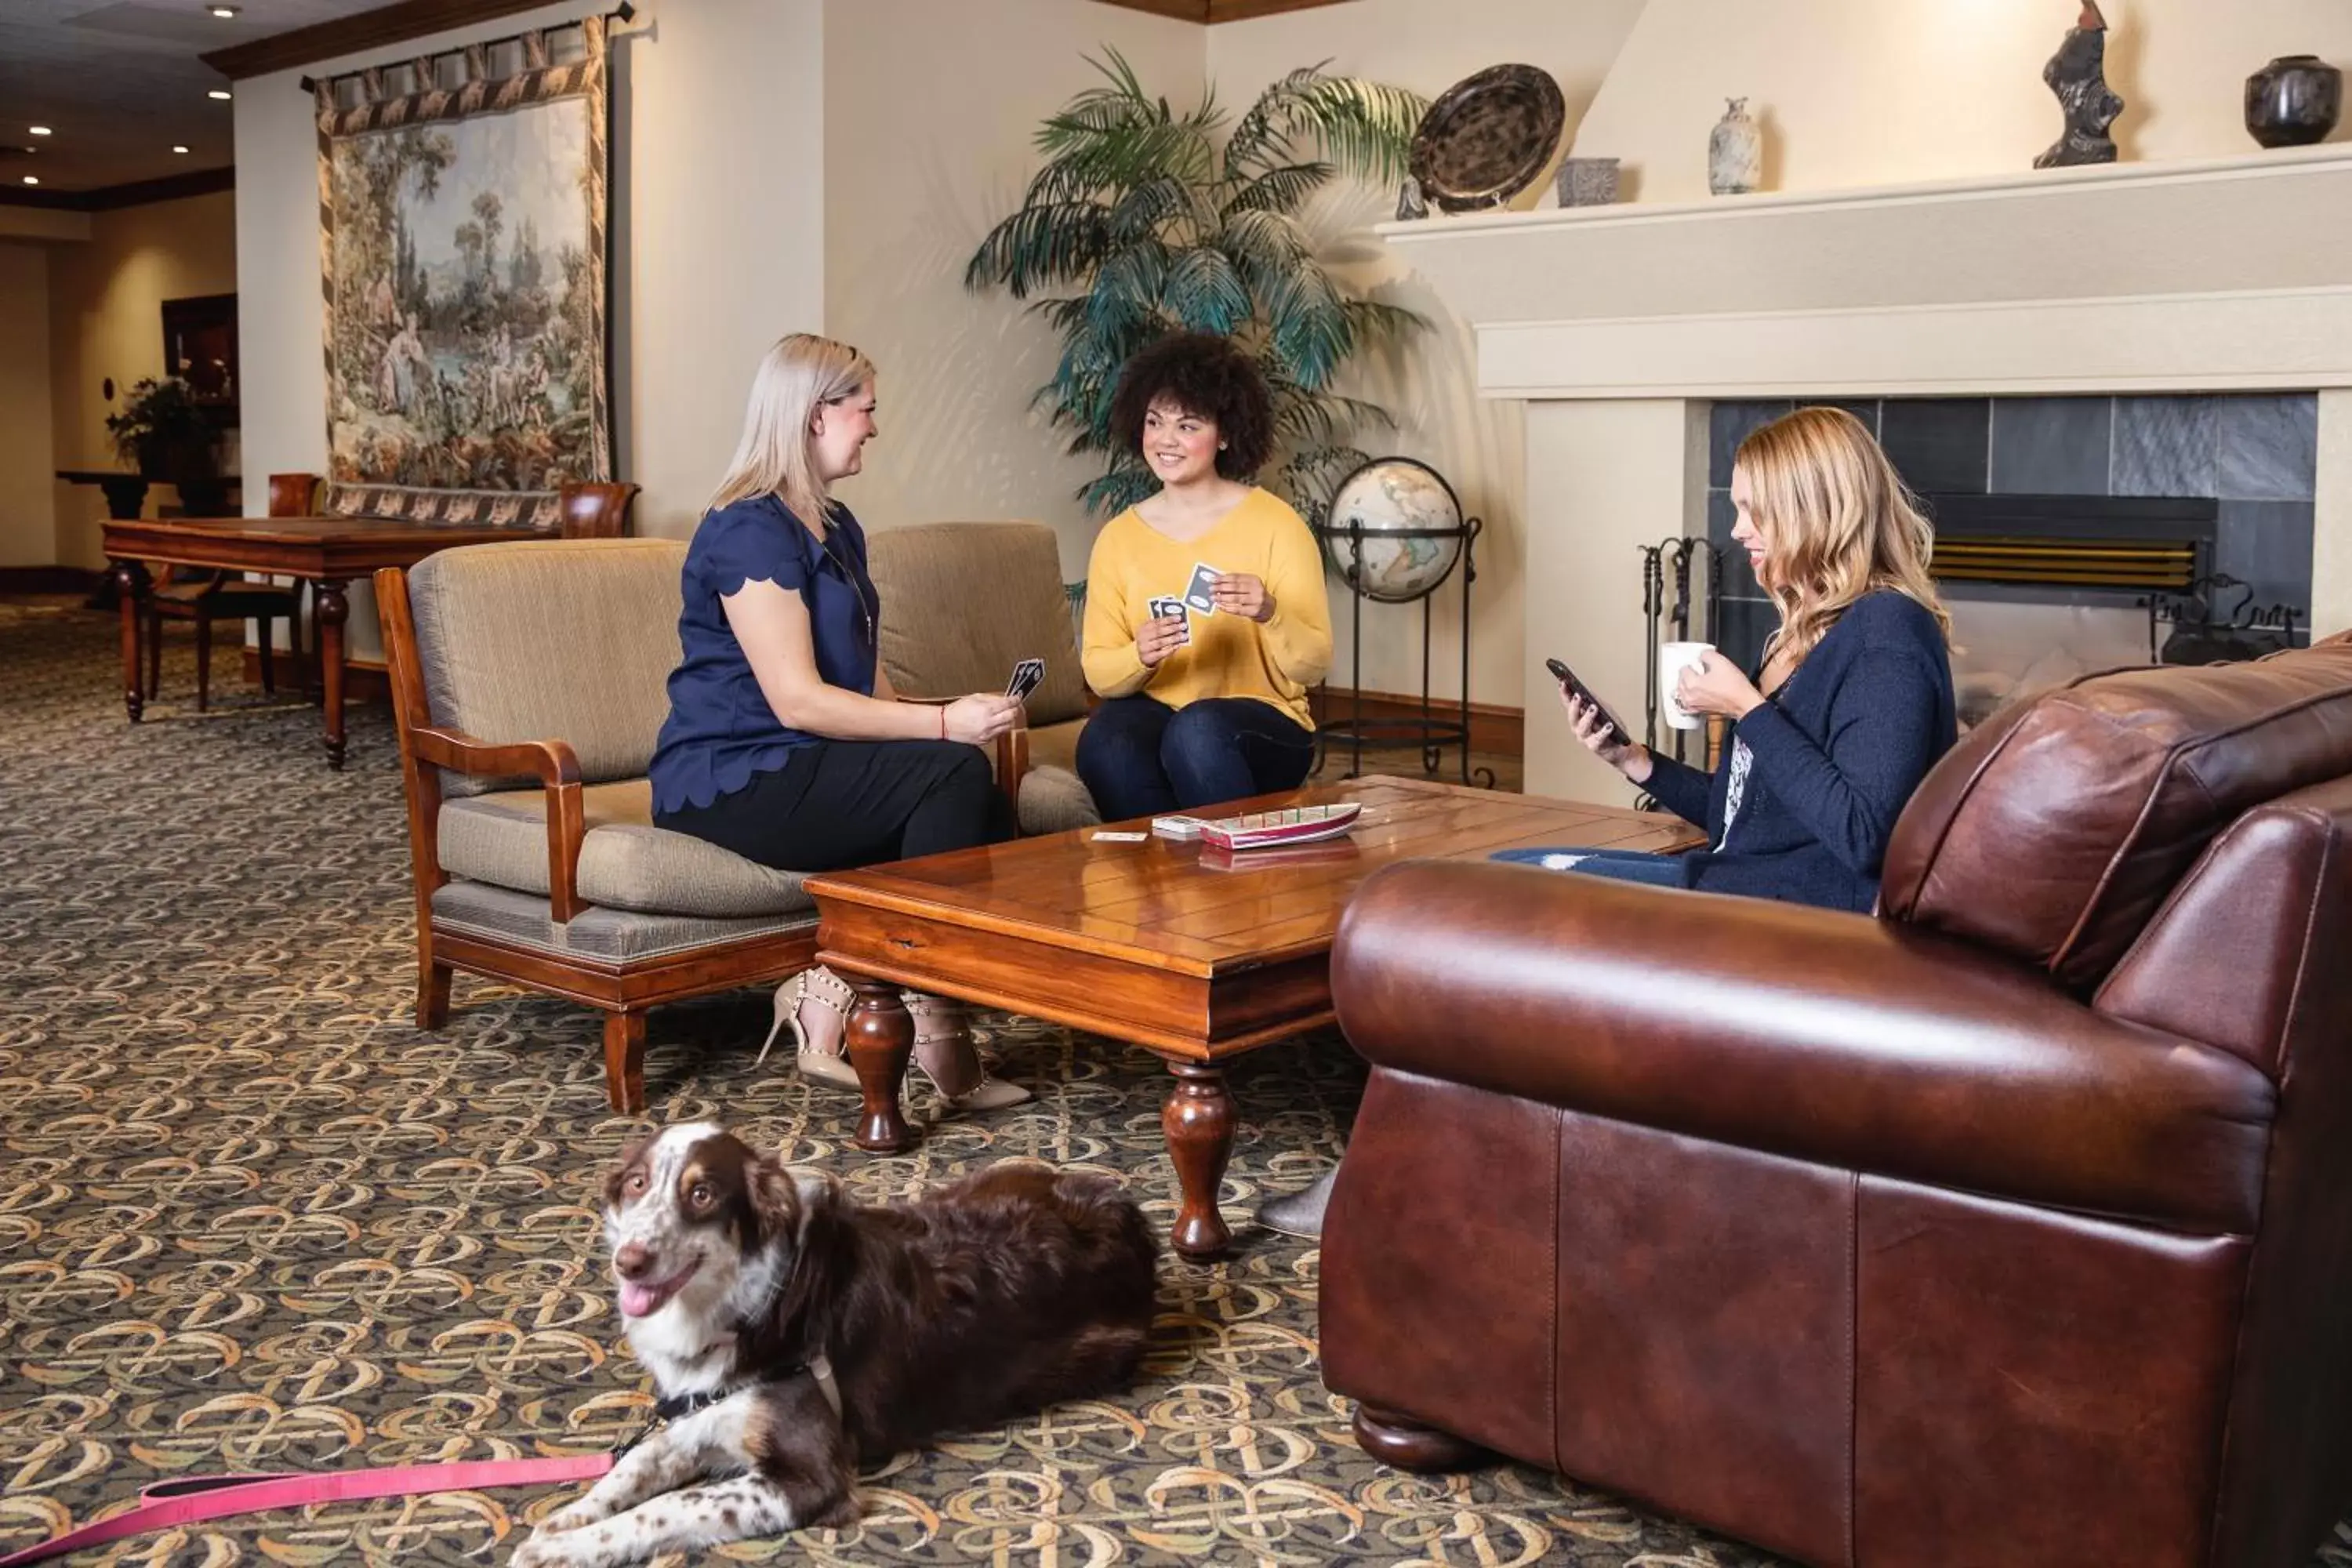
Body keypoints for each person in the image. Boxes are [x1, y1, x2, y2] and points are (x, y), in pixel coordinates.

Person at [1257, 404, 1958, 1240]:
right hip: (1739, 883)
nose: (1738, 531)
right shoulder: (1818, 631)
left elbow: (1862, 833)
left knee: (1493, 910)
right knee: (1495, 883)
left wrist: (1747, 706)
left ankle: (1389, 1178)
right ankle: (1415, 1162)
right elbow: (1756, 820)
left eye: (1754, 511)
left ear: (1816, 509)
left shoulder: (1888, 635)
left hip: (1791, 929)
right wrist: (1639, 764)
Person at [649, 333, 1030, 1112]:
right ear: (815, 413)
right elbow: (797, 700)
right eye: (866, 409)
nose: (874, 426)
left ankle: (839, 986)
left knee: (980, 792)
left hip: (808, 759)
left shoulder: (836, 524)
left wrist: (953, 713)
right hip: (735, 775)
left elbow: (865, 681)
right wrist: (943, 732)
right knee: (952, 773)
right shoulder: (748, 529)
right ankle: (926, 1013)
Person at [1076, 332, 1334, 822]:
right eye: (1155, 422)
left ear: (1226, 435)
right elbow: (1100, 672)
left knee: (1197, 730)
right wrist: (1140, 655)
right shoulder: (1118, 538)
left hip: (1267, 724)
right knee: (1107, 737)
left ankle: (1234, 886)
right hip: (1164, 713)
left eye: (1187, 425)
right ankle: (1165, 882)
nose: (1165, 440)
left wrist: (1269, 612)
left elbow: (1313, 665)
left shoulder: (1277, 524)